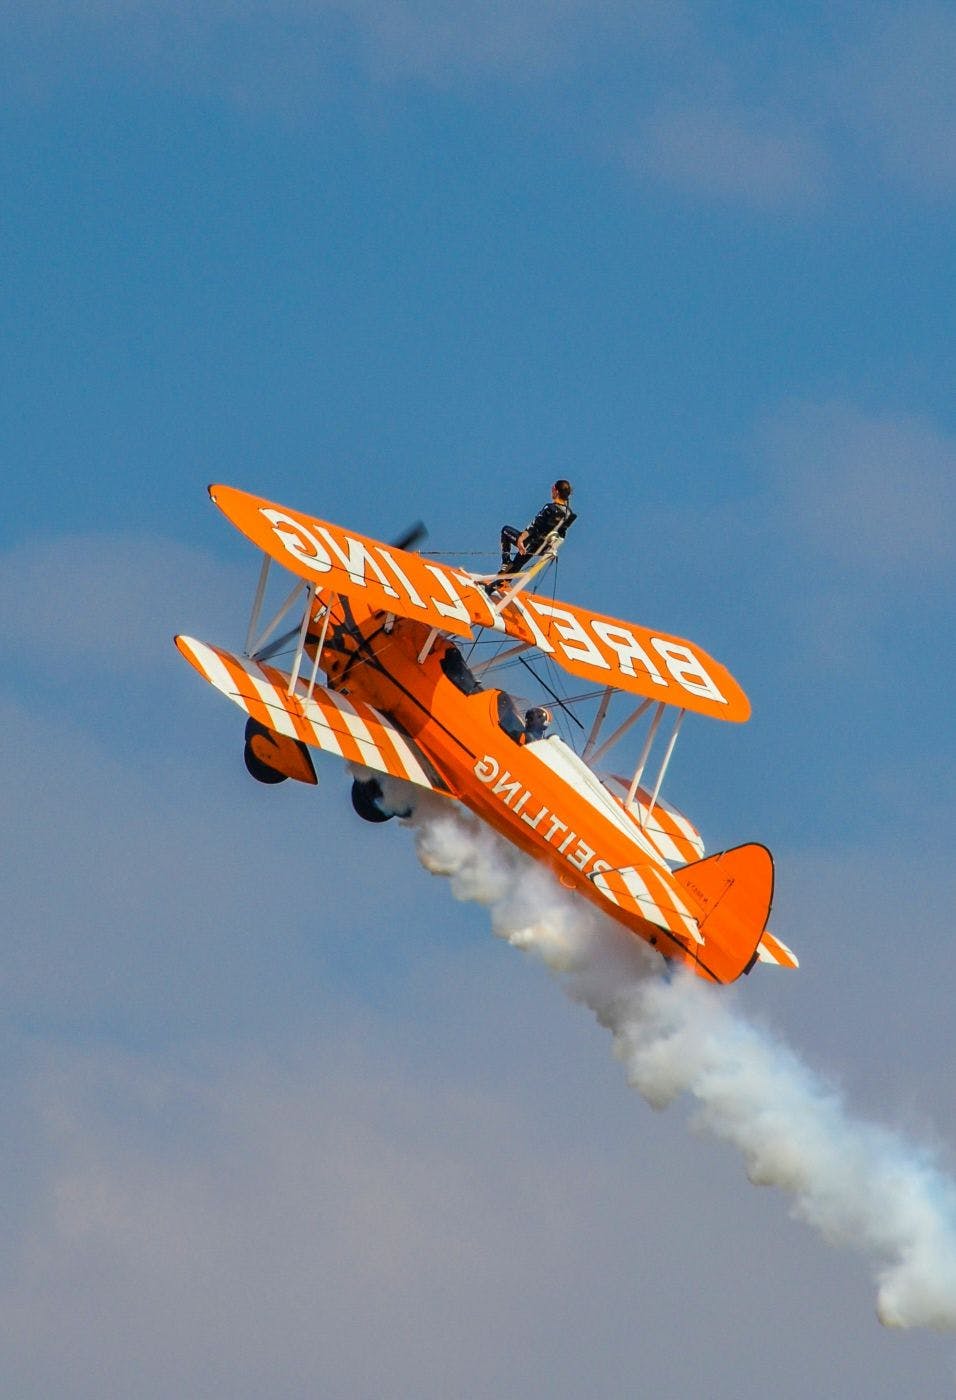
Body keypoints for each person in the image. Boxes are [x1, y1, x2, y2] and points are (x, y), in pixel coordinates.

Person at [499, 479, 576, 577]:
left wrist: (521, 539)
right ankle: (503, 583)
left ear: (556, 491)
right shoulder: (568, 514)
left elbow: (534, 526)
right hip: (542, 548)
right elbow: (561, 534)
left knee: (505, 530)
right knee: (515, 567)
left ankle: (506, 562)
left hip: (531, 542)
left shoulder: (550, 508)